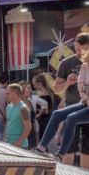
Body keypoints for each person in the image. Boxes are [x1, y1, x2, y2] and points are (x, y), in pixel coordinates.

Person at [37, 33, 89, 164]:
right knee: (59, 115)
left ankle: (60, 154)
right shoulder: (68, 63)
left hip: (84, 107)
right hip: (78, 103)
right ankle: (44, 148)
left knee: (86, 152)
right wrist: (68, 83)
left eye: (83, 49)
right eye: (77, 49)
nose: (80, 52)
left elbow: (82, 85)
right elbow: (59, 89)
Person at [32, 73, 60, 145]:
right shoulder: (50, 93)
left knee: (41, 142)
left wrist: (36, 110)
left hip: (43, 121)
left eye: (34, 84)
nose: (34, 86)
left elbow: (46, 111)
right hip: (47, 120)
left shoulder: (43, 96)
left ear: (40, 84)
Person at [5, 83, 32, 148]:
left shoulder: (23, 108)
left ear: (15, 93)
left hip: (20, 145)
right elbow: (9, 123)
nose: (6, 95)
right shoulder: (8, 107)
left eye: (8, 93)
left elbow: (28, 128)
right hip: (9, 143)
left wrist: (19, 142)